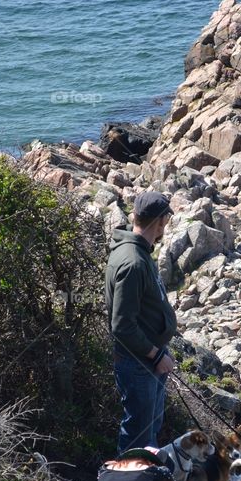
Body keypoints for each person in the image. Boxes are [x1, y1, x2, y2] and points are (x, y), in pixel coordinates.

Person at [105, 191, 178, 454]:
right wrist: (156, 355)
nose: (166, 224)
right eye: (166, 218)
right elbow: (122, 326)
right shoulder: (133, 262)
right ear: (159, 221)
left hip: (149, 360)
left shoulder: (138, 251)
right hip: (140, 363)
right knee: (138, 435)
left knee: (149, 429)